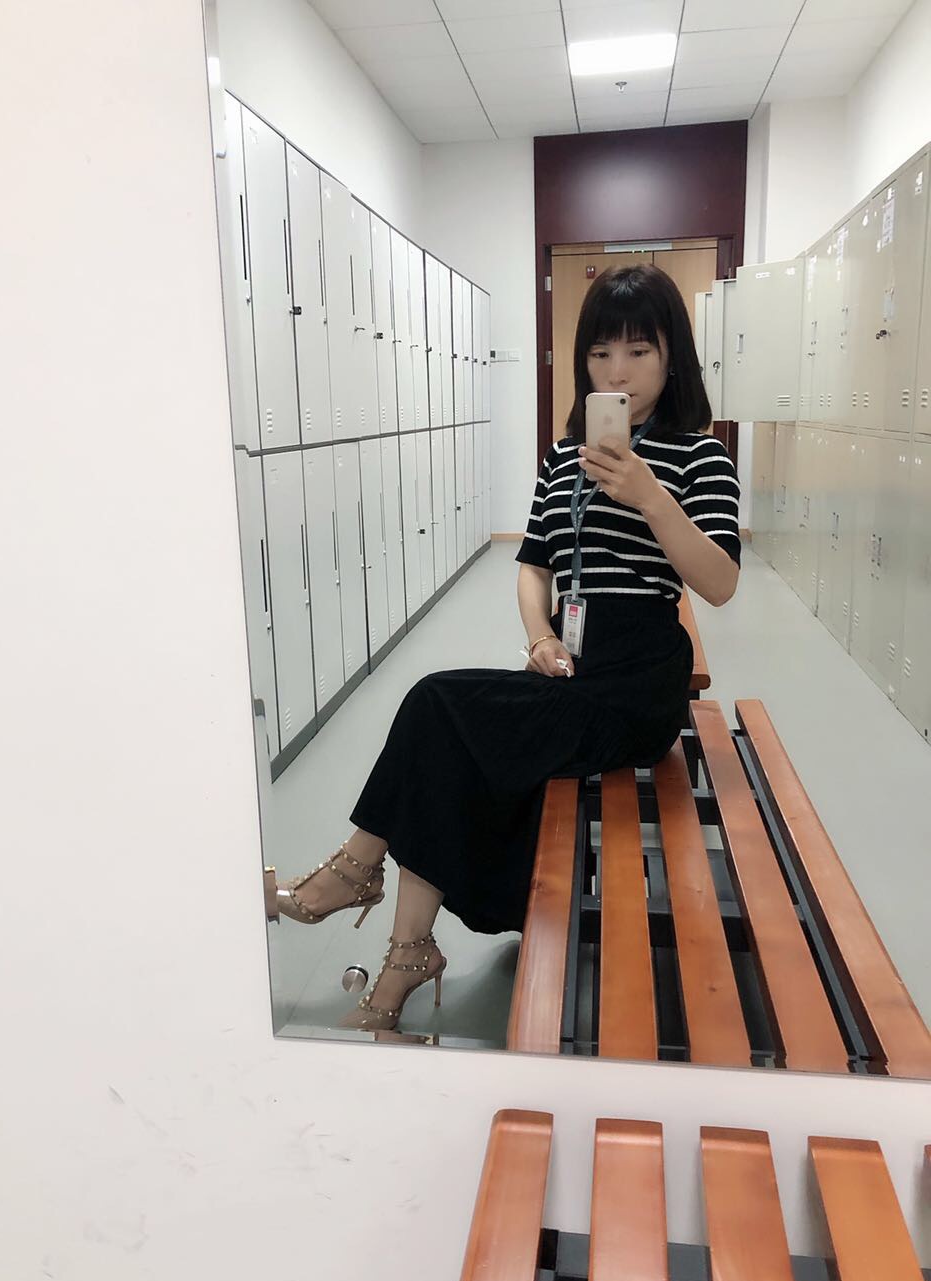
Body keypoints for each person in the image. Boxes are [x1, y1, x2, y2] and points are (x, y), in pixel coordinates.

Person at [275, 264, 741, 1032]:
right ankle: (405, 951)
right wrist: (541, 636)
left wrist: (651, 497)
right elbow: (534, 564)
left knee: (438, 705)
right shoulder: (564, 458)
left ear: (672, 358)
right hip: (571, 663)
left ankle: (357, 880)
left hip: (637, 683)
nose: (617, 373)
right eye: (600, 353)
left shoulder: (700, 457)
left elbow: (719, 583)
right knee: (446, 735)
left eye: (638, 352)